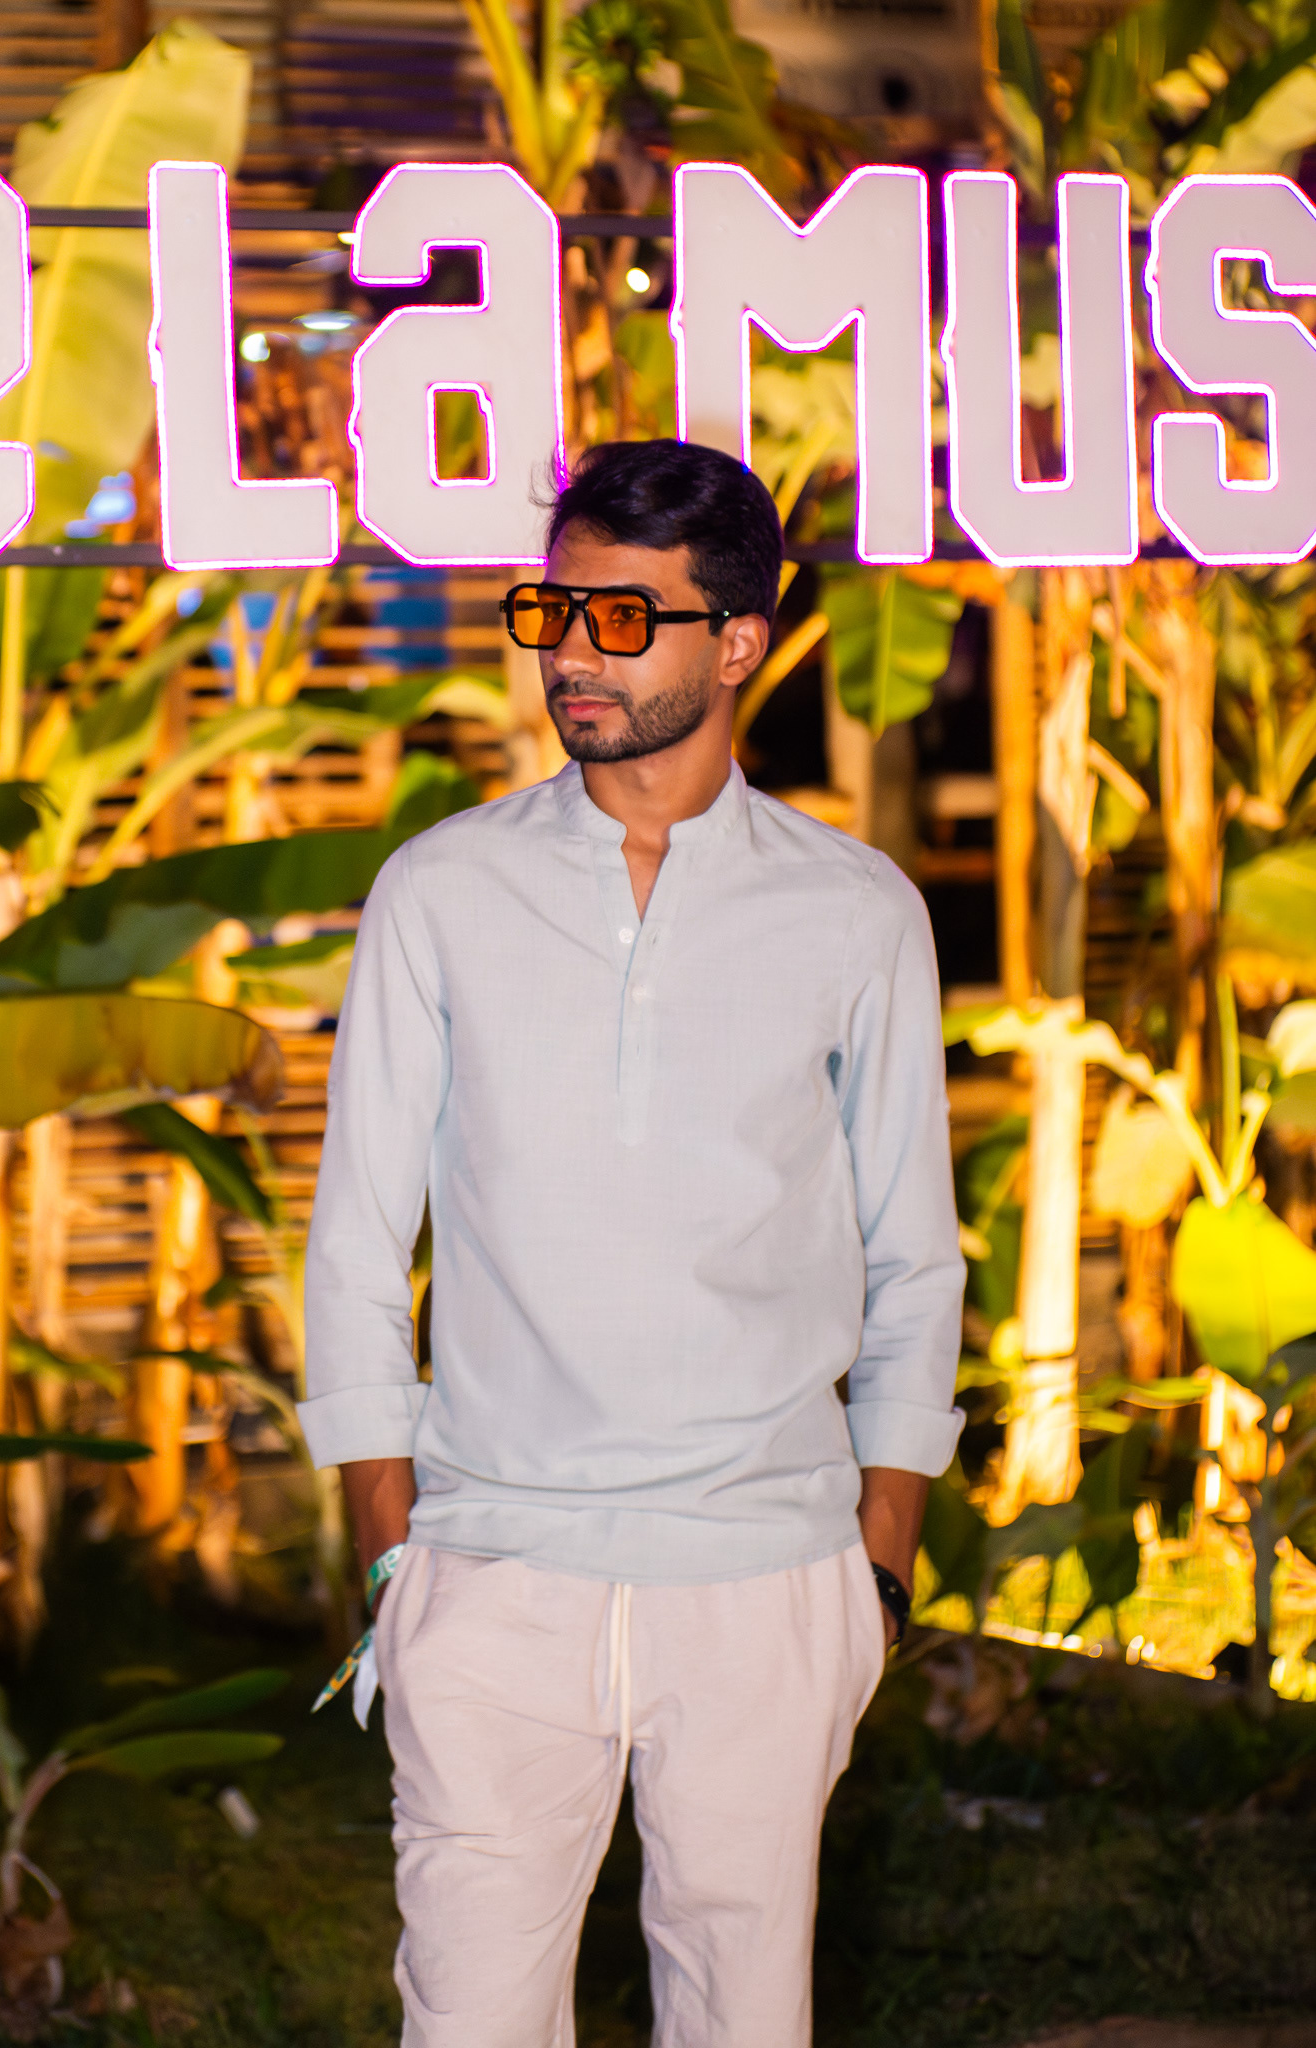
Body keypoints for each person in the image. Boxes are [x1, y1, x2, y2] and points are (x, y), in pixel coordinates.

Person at [297, 438, 964, 2048]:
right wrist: (393, 1553)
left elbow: (912, 1256)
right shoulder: (440, 892)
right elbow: (357, 1237)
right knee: (468, 2023)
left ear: (735, 641)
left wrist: (875, 1563)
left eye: (619, 618)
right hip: (494, 1575)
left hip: (766, 1579)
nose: (570, 656)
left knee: (743, 2019)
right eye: (551, 612)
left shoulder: (855, 909)